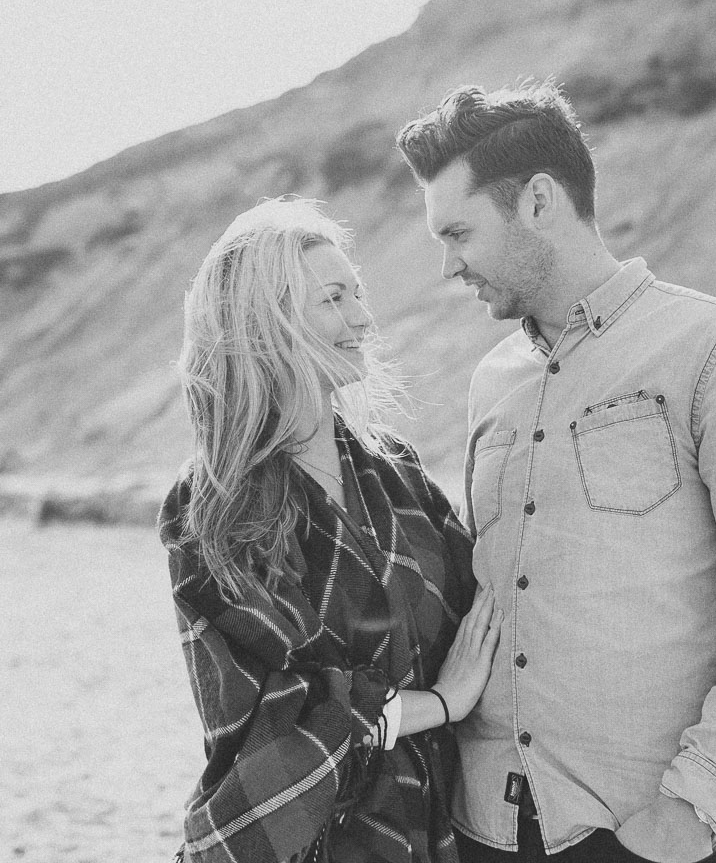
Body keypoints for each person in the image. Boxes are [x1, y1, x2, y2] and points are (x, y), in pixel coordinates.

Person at [395, 82, 716, 863]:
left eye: (458, 232)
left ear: (537, 202)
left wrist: (695, 807)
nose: (448, 264)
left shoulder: (711, 347)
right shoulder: (491, 382)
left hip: (650, 828)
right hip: (490, 828)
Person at [162, 197, 505, 863]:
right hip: (309, 844)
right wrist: (439, 702)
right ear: (269, 323)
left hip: (447, 828)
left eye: (358, 294)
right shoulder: (212, 508)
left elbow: (488, 618)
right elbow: (283, 723)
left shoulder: (396, 474)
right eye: (334, 298)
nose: (363, 319)